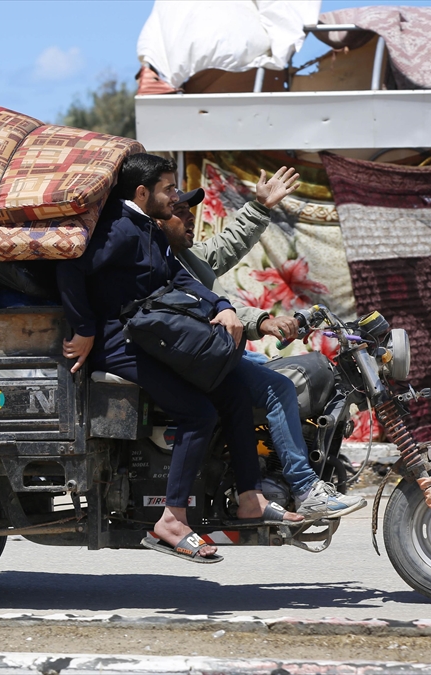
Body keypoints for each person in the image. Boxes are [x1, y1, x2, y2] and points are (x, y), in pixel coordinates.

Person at [58, 154, 303, 564]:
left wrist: (222, 304)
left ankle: (250, 498)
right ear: (142, 193)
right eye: (169, 189)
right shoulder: (119, 229)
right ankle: (172, 520)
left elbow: (180, 276)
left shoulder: (147, 229)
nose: (176, 197)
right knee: (197, 415)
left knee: (234, 391)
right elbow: (71, 270)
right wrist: (84, 329)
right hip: (120, 342)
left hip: (150, 337)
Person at [159, 171, 365, 519]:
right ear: (158, 218)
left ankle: (269, 478)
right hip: (189, 360)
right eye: (180, 210)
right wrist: (264, 321)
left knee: (299, 371)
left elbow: (225, 246)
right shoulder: (159, 261)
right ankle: (304, 488)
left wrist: (260, 206)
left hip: (209, 353)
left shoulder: (184, 257)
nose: (190, 217)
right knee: (279, 389)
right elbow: (203, 305)